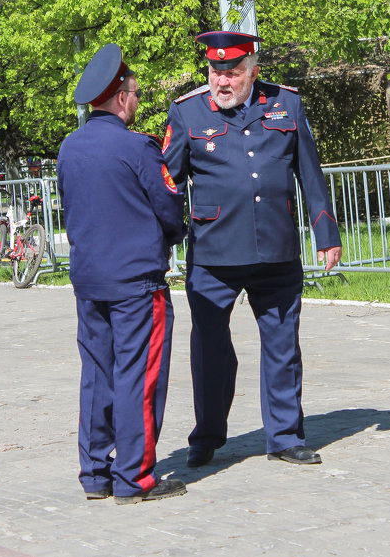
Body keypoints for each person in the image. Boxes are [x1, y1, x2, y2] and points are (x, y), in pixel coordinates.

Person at [163, 31, 342, 468]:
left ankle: (284, 436)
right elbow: (166, 184)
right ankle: (206, 436)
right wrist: (156, 239)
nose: (222, 81)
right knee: (209, 350)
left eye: (232, 73)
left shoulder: (286, 104)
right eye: (215, 72)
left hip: (276, 251)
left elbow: (310, 174)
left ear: (253, 72)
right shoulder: (187, 112)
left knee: (282, 346)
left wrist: (326, 234)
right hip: (213, 255)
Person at [57, 44, 187, 504]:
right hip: (137, 282)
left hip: (90, 279)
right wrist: (175, 233)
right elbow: (169, 208)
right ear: (119, 96)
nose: (136, 99)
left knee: (97, 374)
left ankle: (95, 472)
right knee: (140, 375)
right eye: (134, 92)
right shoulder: (138, 147)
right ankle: (136, 478)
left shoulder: (70, 148)